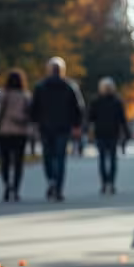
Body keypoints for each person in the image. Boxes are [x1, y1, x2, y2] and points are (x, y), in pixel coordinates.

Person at [31, 57, 85, 201]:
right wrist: (77, 125)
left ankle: (51, 180)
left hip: (46, 127)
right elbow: (78, 108)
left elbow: (34, 109)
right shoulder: (70, 86)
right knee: (60, 158)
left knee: (48, 157)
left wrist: (35, 123)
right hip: (63, 127)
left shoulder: (40, 87)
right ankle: (58, 187)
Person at [0, 69, 31, 202]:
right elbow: (31, 115)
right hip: (20, 133)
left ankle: (7, 184)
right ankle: (16, 189)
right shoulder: (26, 96)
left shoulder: (1, 95)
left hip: (4, 132)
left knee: (5, 161)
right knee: (18, 163)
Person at [89, 77, 130, 194]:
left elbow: (90, 118)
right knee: (112, 159)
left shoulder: (96, 101)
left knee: (102, 159)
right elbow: (123, 120)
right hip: (112, 133)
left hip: (101, 133)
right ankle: (111, 182)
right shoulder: (117, 101)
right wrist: (126, 133)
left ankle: (104, 182)